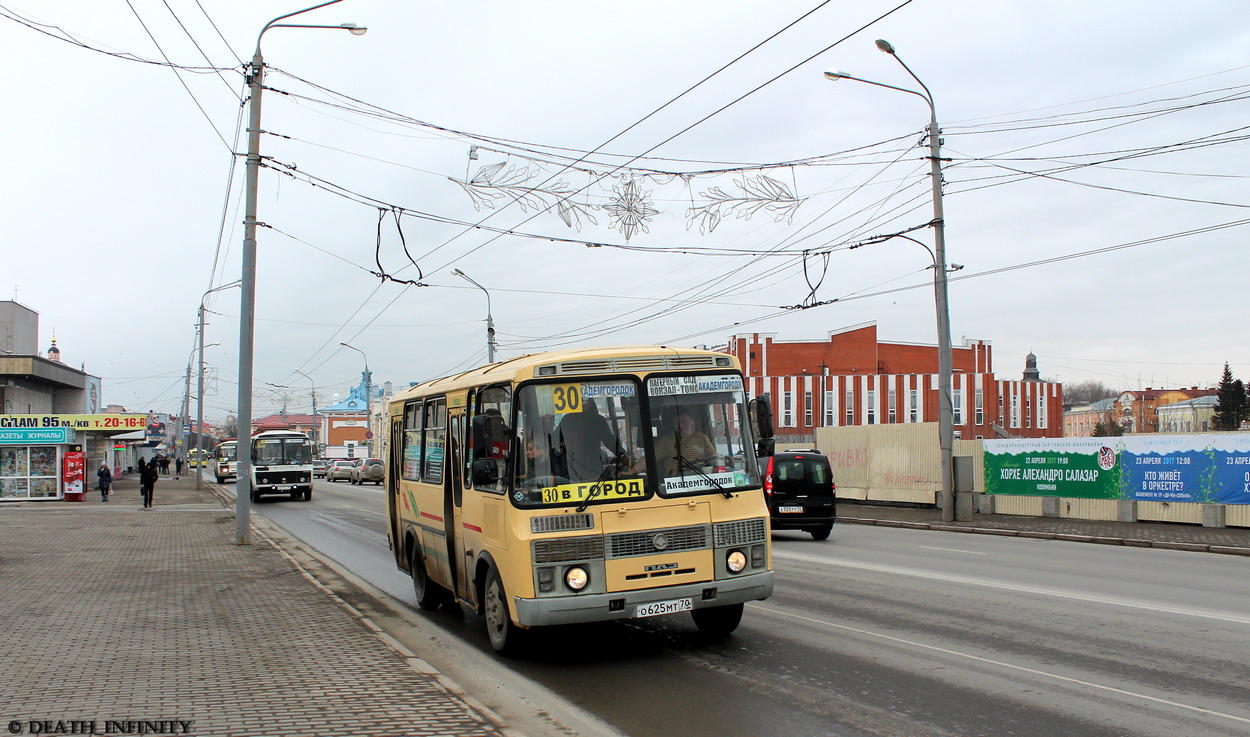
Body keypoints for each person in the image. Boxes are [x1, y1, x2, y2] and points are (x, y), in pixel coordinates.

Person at [650, 407, 718, 477]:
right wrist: (637, 471)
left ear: (691, 420)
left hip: (700, 479)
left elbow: (713, 457)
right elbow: (649, 458)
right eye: (677, 422)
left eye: (684, 421)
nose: (680, 425)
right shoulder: (666, 440)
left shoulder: (702, 438)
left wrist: (722, 461)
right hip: (676, 482)